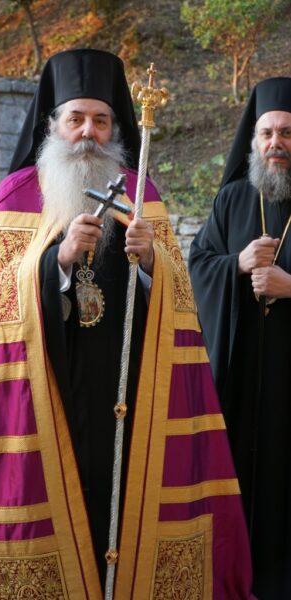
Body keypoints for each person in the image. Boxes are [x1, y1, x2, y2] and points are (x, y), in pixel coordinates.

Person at [0, 48, 254, 599]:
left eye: (101, 120)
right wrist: (57, 261)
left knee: (122, 508)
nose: (88, 132)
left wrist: (152, 261)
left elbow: (181, 303)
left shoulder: (141, 192)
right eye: (76, 118)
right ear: (53, 125)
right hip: (51, 392)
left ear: (115, 128)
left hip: (128, 394)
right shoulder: (17, 194)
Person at [189, 76, 291, 599]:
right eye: (267, 133)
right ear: (253, 140)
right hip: (241, 374)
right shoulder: (231, 199)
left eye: (287, 133)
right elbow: (197, 266)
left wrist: (290, 286)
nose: (276, 143)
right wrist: (237, 264)